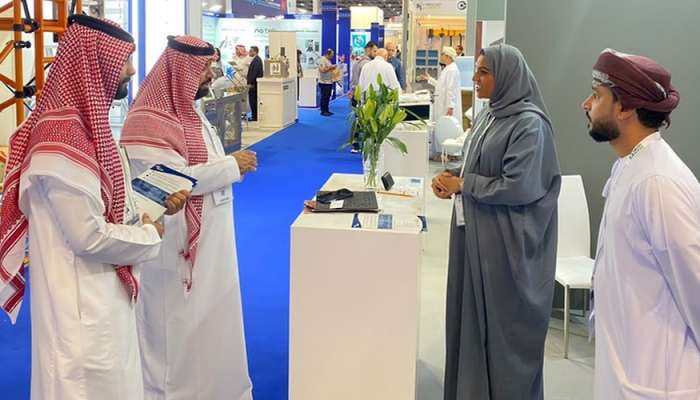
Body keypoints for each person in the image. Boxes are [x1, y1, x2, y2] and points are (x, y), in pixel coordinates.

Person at [0, 15, 187, 400]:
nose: (131, 70)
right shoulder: (59, 146)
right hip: (81, 314)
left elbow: (107, 205)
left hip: (103, 301)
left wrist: (152, 208)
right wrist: (148, 235)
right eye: (124, 60)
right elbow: (89, 236)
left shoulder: (86, 132)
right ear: (94, 64)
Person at [120, 36, 258, 400]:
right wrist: (230, 166)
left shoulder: (191, 113)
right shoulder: (147, 121)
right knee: (173, 333)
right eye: (203, 69)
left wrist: (227, 167)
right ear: (180, 73)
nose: (210, 75)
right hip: (173, 249)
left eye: (210, 67)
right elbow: (164, 181)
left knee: (210, 322)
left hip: (211, 243)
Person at [432, 44, 561, 400]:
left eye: (484, 72)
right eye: (476, 70)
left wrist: (465, 185)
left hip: (505, 254)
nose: (475, 78)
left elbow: (519, 185)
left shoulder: (530, 125)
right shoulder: (490, 115)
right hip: (478, 240)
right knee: (470, 321)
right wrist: (452, 176)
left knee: (503, 337)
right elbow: (478, 164)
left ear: (507, 77)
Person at [582, 49, 700, 399]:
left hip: (659, 380)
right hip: (627, 363)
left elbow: (695, 284)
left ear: (625, 108)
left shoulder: (657, 183)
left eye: (597, 95)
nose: (586, 104)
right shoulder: (630, 165)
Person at [420, 46, 463, 130]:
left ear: (448, 56)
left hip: (446, 106)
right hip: (442, 103)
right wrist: (429, 79)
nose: (441, 56)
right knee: (442, 127)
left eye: (442, 54)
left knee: (447, 129)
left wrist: (450, 107)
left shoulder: (452, 70)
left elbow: (451, 89)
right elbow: (441, 85)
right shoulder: (448, 68)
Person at [349, 41, 377, 105]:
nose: (376, 54)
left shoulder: (357, 62)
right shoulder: (368, 64)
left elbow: (353, 79)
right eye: (374, 51)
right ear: (368, 50)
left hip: (355, 94)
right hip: (363, 96)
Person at [247, 45, 264, 121]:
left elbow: (254, 73)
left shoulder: (257, 60)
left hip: (254, 84)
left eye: (251, 51)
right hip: (254, 83)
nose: (249, 52)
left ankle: (255, 116)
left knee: (253, 101)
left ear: (255, 52)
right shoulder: (255, 59)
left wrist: (250, 83)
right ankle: (254, 115)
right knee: (253, 100)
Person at [318, 48, 337, 116]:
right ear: (327, 54)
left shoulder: (328, 60)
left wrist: (332, 68)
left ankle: (326, 110)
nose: (332, 57)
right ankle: (323, 111)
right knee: (324, 97)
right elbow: (322, 70)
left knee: (327, 97)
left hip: (329, 81)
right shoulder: (322, 60)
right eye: (331, 55)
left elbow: (328, 69)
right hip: (324, 82)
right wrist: (331, 67)